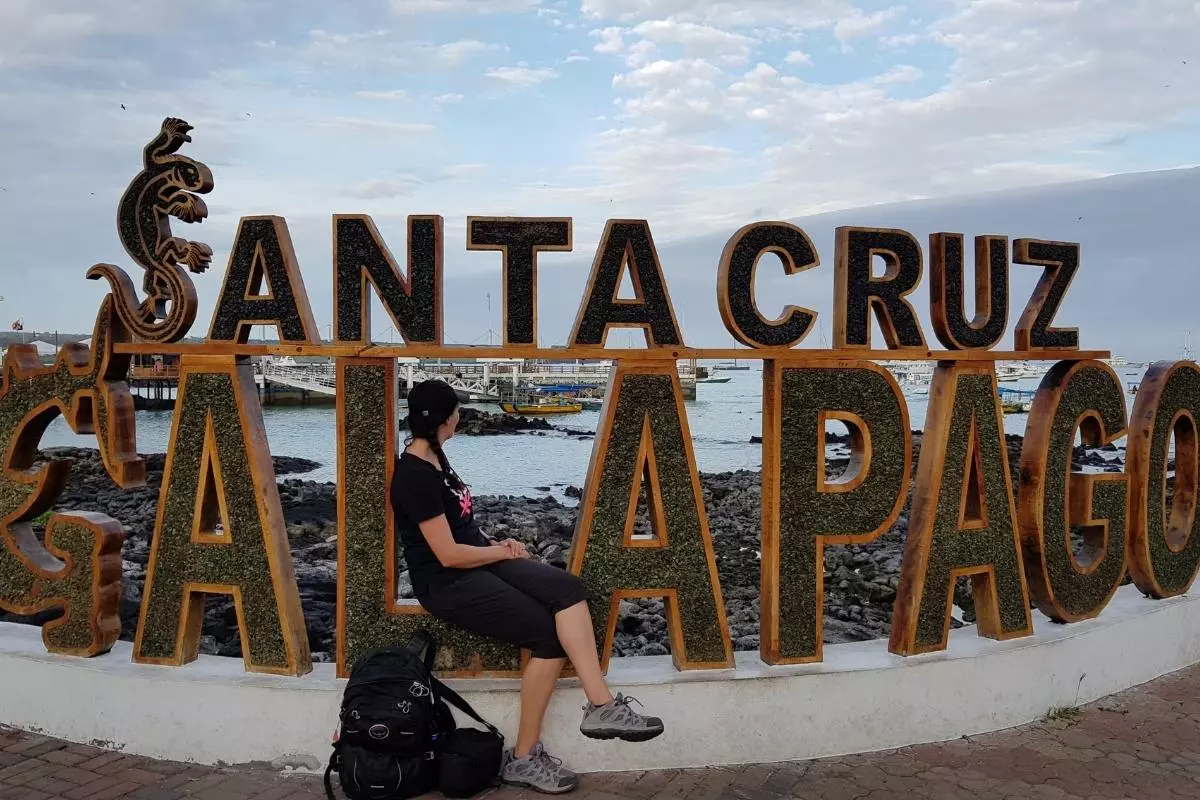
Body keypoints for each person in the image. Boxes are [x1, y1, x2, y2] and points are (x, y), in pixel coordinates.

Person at [390, 379, 664, 795]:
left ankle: (602, 707)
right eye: (457, 410)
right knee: (548, 635)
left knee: (568, 588)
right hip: (448, 582)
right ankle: (523, 758)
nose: (460, 416)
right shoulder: (414, 476)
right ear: (446, 419)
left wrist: (497, 544)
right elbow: (446, 554)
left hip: (478, 559)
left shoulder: (436, 459)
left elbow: (462, 528)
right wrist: (495, 554)